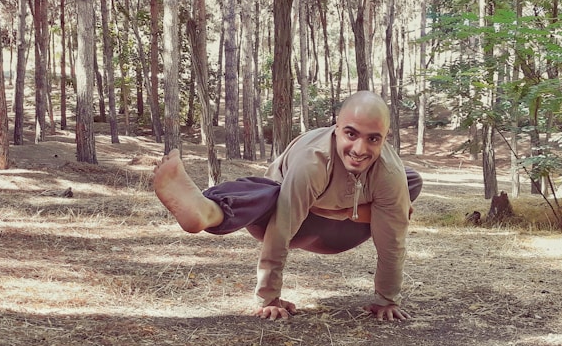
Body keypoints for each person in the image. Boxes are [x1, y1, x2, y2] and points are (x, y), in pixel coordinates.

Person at [153, 90, 423, 321]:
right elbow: (282, 227)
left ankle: (348, 209)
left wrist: (388, 298)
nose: (359, 148)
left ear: (385, 137)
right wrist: (269, 297)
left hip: (343, 234)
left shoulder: (389, 172)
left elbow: (392, 241)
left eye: (373, 139)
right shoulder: (312, 163)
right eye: (351, 134)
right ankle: (209, 210)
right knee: (269, 193)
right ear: (336, 127)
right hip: (289, 223)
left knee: (410, 181)